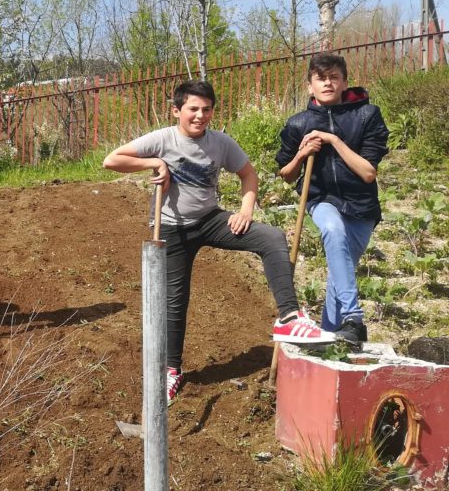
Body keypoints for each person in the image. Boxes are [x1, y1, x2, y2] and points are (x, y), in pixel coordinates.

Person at [103, 79, 334, 406]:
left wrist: (245, 209)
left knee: (271, 237)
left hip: (211, 220)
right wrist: (153, 163)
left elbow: (248, 175)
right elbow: (111, 160)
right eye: (193, 109)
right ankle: (173, 370)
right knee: (175, 301)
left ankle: (289, 318)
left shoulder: (221, 142)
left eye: (206, 109)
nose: (200, 116)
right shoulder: (163, 139)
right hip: (173, 229)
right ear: (177, 111)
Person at [275, 52, 389, 345]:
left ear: (344, 82)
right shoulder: (298, 123)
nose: (327, 83)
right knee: (333, 229)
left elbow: (367, 173)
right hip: (321, 199)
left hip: (362, 206)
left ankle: (332, 337)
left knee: (341, 276)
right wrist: (302, 152)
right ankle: (355, 318)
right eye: (320, 79)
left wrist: (333, 140)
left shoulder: (367, 116)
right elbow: (286, 175)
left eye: (333, 77)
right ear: (310, 86)